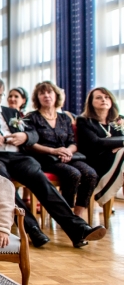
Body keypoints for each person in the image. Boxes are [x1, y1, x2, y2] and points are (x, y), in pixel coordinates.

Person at [0, 76, 106, 248]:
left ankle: (78, 228)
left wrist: (25, 136)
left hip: (18, 157)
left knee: (41, 181)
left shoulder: (12, 113)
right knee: (4, 184)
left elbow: (34, 135)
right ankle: (32, 228)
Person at [25, 81, 97, 218]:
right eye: (42, 93)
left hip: (67, 156)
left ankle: (78, 215)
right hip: (45, 158)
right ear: (37, 97)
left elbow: (73, 142)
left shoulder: (65, 118)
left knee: (90, 174)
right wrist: (54, 151)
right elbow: (30, 144)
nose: (46, 95)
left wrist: (68, 151)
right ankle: (66, 214)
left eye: (49, 92)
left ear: (56, 95)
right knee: (73, 174)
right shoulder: (31, 117)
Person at [76, 87, 124, 206]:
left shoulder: (119, 120)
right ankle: (103, 191)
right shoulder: (84, 121)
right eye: (99, 97)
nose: (104, 100)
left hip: (117, 160)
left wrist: (115, 146)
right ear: (91, 102)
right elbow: (96, 143)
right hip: (95, 161)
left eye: (107, 97)